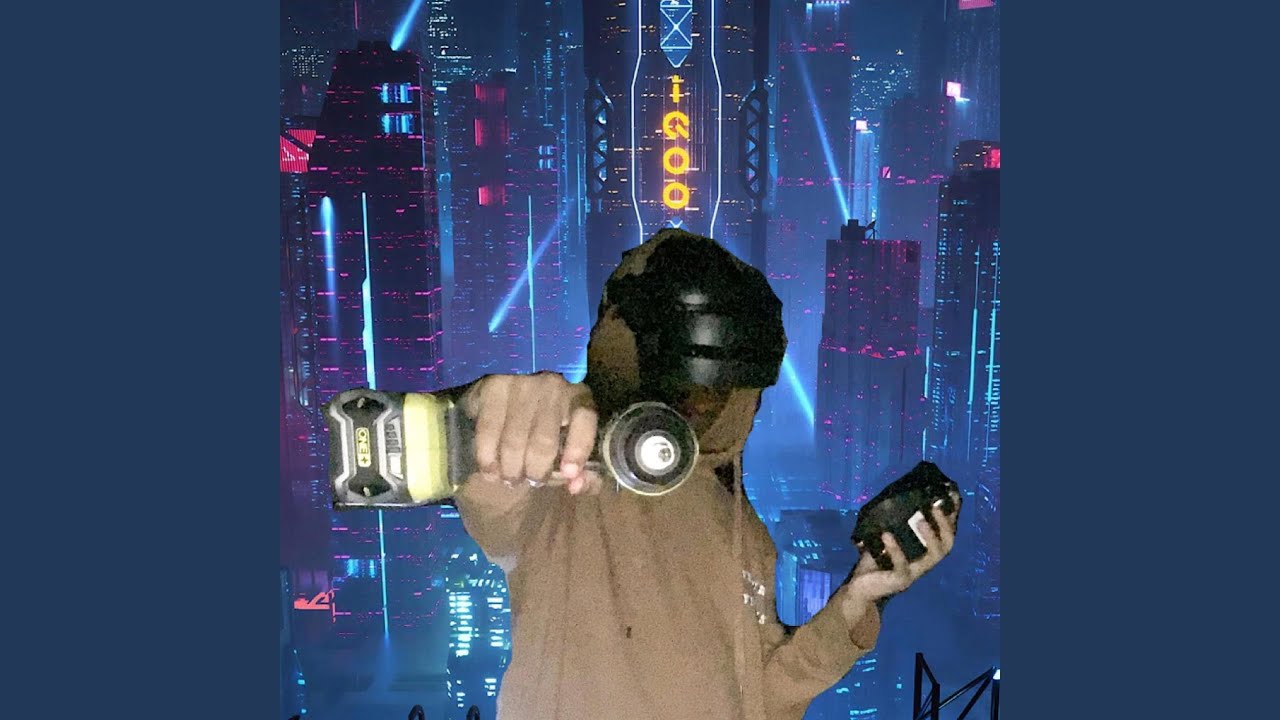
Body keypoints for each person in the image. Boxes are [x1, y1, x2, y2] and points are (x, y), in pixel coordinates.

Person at [450, 229, 958, 720]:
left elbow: (763, 700)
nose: (699, 403)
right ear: (630, 355)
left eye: (719, 385)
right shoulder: (573, 478)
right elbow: (493, 485)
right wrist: (487, 421)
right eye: (680, 378)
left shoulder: (741, 525)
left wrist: (857, 599)